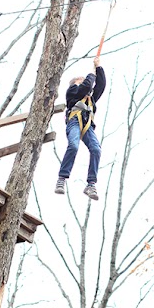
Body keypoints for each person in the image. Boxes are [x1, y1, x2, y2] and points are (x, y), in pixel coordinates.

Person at [55, 57, 105, 201]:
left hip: (87, 125)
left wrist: (98, 68)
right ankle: (62, 178)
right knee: (73, 145)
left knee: (96, 149)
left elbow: (100, 86)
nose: (84, 82)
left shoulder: (91, 97)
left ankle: (91, 184)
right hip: (75, 121)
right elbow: (86, 86)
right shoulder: (73, 92)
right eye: (80, 81)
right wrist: (91, 75)